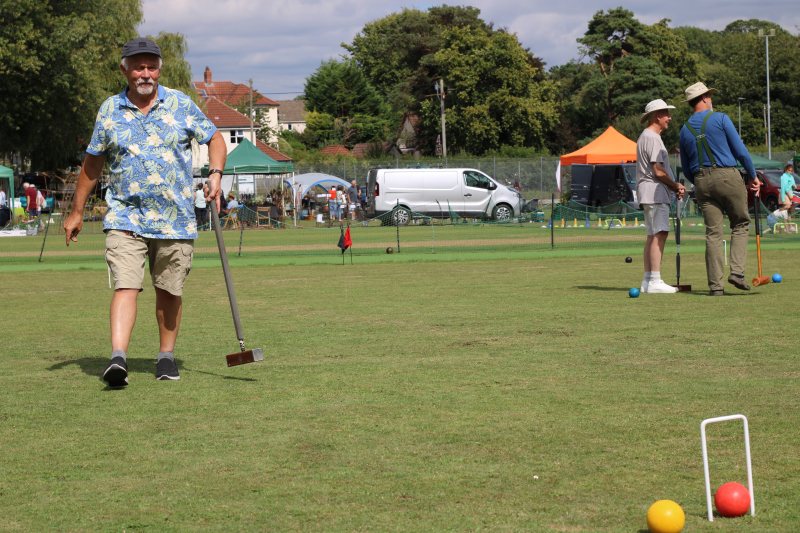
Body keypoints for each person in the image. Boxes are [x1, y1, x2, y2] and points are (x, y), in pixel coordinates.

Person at [63, 37, 226, 387]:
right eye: (138, 67)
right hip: (125, 217)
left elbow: (214, 139)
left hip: (175, 219)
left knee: (169, 290)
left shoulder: (181, 104)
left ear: (159, 70)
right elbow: (92, 163)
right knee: (126, 285)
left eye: (151, 66)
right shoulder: (110, 110)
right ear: (125, 69)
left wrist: (215, 174)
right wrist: (76, 211)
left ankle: (166, 357)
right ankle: (118, 359)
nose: (146, 73)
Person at [679, 82, 761, 296]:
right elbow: (741, 152)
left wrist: (701, 180)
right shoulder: (721, 118)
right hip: (727, 176)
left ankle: (716, 287)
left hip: (700, 181)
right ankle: (737, 273)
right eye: (710, 96)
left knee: (713, 233)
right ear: (704, 98)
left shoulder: (684, 130)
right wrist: (753, 176)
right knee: (740, 223)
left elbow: (686, 169)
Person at [636, 99, 686, 294]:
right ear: (657, 116)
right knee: (660, 233)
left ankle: (648, 280)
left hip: (648, 192)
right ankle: (655, 280)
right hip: (655, 192)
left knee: (652, 235)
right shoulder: (653, 138)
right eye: (666, 114)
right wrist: (675, 186)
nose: (669, 118)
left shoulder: (645, 136)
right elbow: (658, 170)